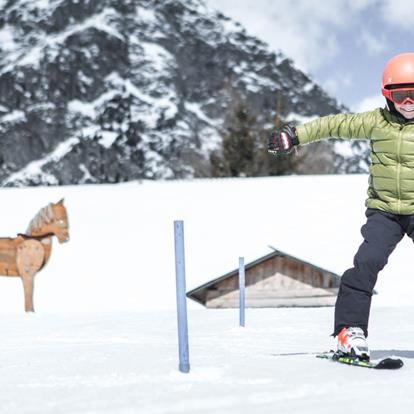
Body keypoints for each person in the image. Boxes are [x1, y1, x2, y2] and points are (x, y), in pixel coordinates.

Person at [268, 52, 414, 361]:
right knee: (366, 263)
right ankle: (350, 330)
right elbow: (334, 125)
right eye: (401, 94)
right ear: (388, 95)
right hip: (385, 211)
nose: (409, 102)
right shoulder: (375, 122)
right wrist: (295, 136)